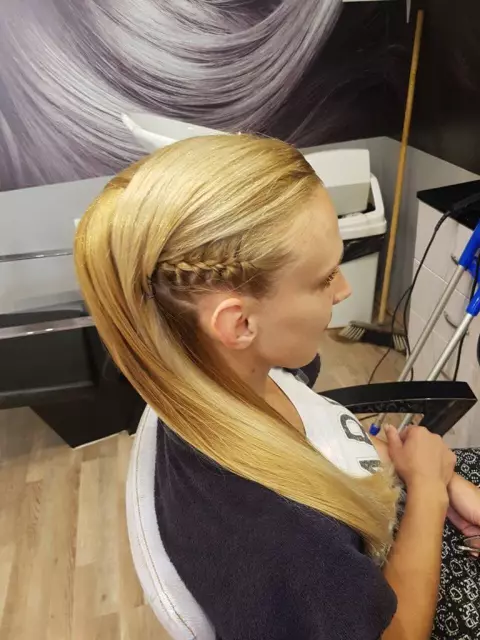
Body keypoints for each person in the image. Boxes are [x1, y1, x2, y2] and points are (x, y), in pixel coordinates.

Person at [74, 134, 480, 640]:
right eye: (325, 278)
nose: (344, 289)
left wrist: (424, 474)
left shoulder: (234, 375)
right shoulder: (273, 535)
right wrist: (429, 492)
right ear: (239, 324)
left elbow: (320, 432)